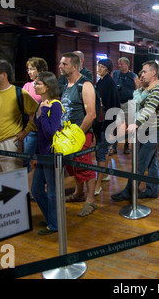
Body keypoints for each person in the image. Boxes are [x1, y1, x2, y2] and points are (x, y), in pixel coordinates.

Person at [111, 60, 159, 201]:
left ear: (153, 72)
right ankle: (152, 190)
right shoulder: (149, 89)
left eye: (144, 71)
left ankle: (128, 192)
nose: (142, 74)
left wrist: (136, 123)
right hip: (147, 131)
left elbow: (149, 108)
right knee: (152, 162)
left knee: (139, 164)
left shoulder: (158, 89)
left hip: (151, 132)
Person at [0, 59, 38, 176]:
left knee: (12, 181)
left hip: (10, 143)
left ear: (4, 75)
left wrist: (27, 130)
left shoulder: (19, 94)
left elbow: (38, 112)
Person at [59, 52, 97, 217]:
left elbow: (91, 115)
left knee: (84, 166)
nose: (60, 66)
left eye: (64, 64)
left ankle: (90, 200)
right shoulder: (66, 85)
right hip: (67, 135)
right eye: (61, 63)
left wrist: (77, 134)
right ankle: (78, 192)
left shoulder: (85, 85)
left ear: (75, 66)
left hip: (80, 134)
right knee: (73, 166)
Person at [30, 71, 62, 235]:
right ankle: (51, 218)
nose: (35, 86)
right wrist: (36, 155)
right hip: (43, 154)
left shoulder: (54, 105)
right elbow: (39, 134)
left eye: (38, 83)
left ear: (47, 86)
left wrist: (44, 112)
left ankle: (55, 223)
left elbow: (50, 132)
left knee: (52, 192)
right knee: (36, 190)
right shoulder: (41, 104)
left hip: (51, 154)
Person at [94, 59, 120, 196]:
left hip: (106, 122)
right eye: (98, 66)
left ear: (108, 69)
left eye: (102, 67)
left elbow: (111, 105)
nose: (99, 69)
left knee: (101, 152)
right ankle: (104, 175)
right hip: (103, 122)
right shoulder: (101, 81)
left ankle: (97, 185)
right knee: (103, 151)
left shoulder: (108, 83)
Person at [23, 57, 48, 195]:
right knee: (27, 159)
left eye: (32, 69)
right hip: (31, 128)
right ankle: (29, 189)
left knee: (44, 159)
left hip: (44, 129)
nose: (30, 72)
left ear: (41, 70)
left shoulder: (46, 85)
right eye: (28, 69)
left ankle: (41, 186)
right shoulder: (27, 86)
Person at [109, 57, 138, 155]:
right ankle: (114, 146)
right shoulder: (116, 73)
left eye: (121, 64)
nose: (119, 66)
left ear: (127, 64)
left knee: (129, 125)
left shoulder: (133, 76)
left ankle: (127, 145)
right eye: (118, 64)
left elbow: (137, 91)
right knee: (115, 125)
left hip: (129, 103)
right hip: (117, 102)